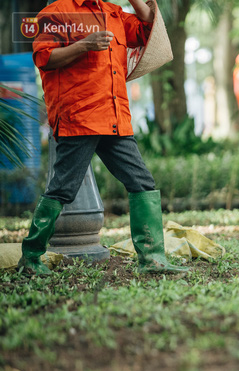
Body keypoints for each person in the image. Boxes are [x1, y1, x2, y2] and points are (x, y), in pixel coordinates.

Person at [18, 0, 187, 275]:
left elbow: (147, 31)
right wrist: (84, 44)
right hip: (79, 117)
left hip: (114, 118)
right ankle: (31, 257)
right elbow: (44, 58)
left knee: (142, 182)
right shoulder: (56, 12)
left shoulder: (114, 12)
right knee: (63, 189)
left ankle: (152, 260)